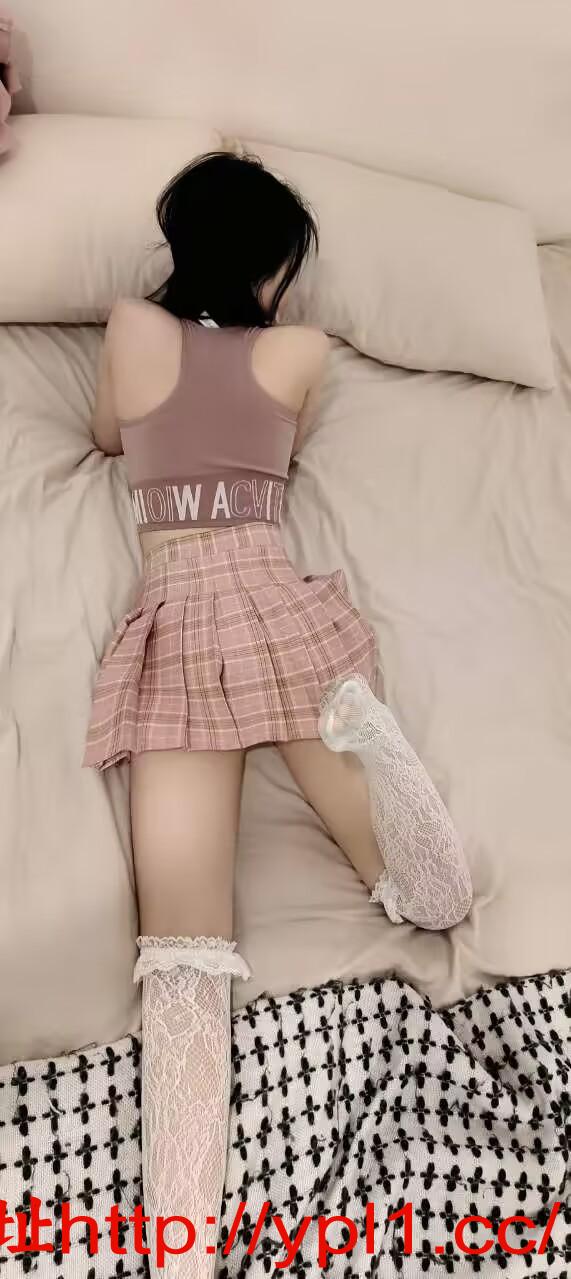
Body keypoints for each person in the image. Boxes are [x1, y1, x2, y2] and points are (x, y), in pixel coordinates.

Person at [84, 151, 472, 1277]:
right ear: (273, 266)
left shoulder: (127, 327)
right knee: (425, 900)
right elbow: (276, 444)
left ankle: (182, 1248)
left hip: (177, 618)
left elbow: (110, 437)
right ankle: (379, 750)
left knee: (184, 954)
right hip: (272, 603)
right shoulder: (302, 352)